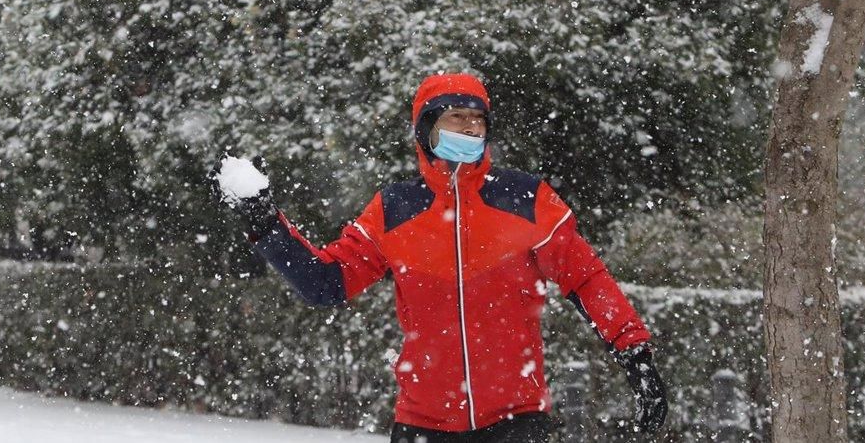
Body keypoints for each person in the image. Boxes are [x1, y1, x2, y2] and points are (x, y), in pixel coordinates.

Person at [228, 72, 667, 442]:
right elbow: (325, 283)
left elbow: (586, 278)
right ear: (426, 129)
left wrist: (635, 356)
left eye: (478, 120)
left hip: (516, 420)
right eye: (457, 118)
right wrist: (265, 223)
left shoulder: (525, 197)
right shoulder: (394, 209)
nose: (470, 129)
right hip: (423, 424)